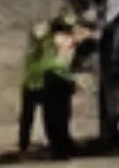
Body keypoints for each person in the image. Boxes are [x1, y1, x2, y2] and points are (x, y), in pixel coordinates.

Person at [39, 12, 85, 160]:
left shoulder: (48, 41)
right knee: (61, 115)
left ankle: (58, 146)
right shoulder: (64, 39)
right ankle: (61, 148)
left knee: (53, 114)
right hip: (59, 78)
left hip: (51, 77)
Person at [17, 19, 53, 154]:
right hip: (33, 85)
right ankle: (24, 143)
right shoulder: (36, 48)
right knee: (29, 117)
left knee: (44, 116)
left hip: (39, 85)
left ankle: (26, 143)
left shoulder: (42, 47)